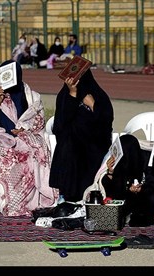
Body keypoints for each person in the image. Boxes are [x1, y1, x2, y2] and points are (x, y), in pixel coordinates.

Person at [0, 59, 58, 217]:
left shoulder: (31, 95)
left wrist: (23, 128)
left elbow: (38, 118)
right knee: (3, 156)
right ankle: (12, 204)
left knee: (34, 154)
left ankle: (34, 201)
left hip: (26, 137)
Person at [49, 68, 114, 203]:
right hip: (72, 148)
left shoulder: (98, 95)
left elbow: (106, 123)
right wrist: (73, 94)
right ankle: (67, 196)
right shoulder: (64, 95)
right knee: (69, 144)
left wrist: (93, 105)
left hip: (94, 146)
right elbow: (60, 126)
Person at [100, 134, 154, 227]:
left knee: (150, 199)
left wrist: (141, 189)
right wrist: (111, 172)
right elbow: (112, 191)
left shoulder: (146, 159)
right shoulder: (119, 162)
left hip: (145, 196)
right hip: (126, 197)